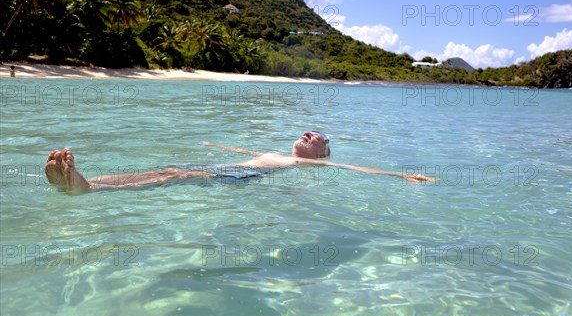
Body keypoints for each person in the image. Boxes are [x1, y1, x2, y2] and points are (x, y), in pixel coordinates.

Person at [45, 131, 435, 194]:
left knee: (178, 176)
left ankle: (89, 189)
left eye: (318, 137)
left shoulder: (314, 166)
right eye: (307, 132)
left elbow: (353, 169)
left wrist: (403, 175)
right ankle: (91, 180)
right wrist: (218, 144)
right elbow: (235, 151)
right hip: (232, 167)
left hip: (245, 177)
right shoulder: (282, 152)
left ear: (321, 154)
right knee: (170, 170)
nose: (309, 134)